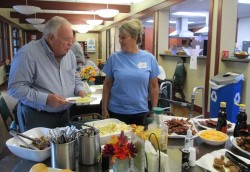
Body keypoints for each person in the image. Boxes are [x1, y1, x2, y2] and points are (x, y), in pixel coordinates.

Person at [8, 16, 86, 132]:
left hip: (64, 114)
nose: (71, 44)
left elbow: (75, 76)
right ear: (50, 38)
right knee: (40, 149)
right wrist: (45, 99)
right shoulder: (27, 54)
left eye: (72, 39)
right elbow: (15, 88)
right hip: (37, 117)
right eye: (66, 39)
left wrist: (79, 89)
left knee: (62, 149)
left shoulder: (70, 54)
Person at [102, 19, 160, 125]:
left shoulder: (149, 58)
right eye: (119, 37)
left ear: (135, 37)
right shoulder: (114, 58)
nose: (120, 40)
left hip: (141, 112)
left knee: (139, 141)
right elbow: (107, 85)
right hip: (116, 112)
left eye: (123, 37)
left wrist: (154, 109)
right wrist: (104, 109)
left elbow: (154, 86)